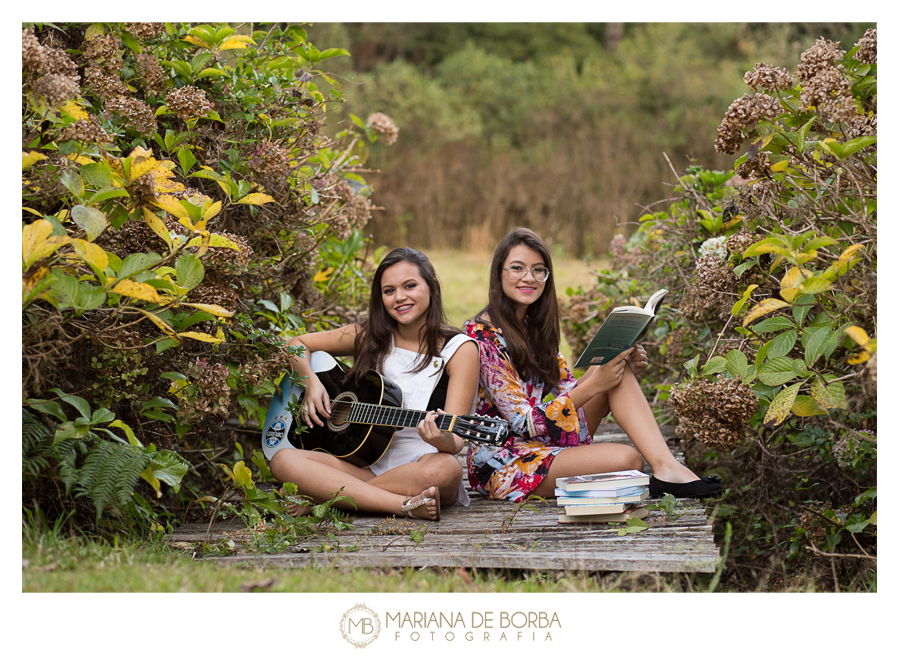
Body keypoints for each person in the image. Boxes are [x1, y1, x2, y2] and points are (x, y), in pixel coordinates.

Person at [464, 227, 723, 502]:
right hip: (503, 462)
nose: (529, 277)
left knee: (613, 364)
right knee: (627, 459)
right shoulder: (483, 336)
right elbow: (524, 422)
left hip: (540, 442)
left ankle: (667, 469)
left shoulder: (533, 327)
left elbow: (569, 389)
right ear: (499, 273)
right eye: (517, 268)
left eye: (538, 270)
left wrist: (619, 371)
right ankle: (661, 472)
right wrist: (597, 384)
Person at [269, 247, 480, 521]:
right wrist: (312, 385)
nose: (400, 297)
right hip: (364, 464)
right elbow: (295, 344)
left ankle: (329, 500)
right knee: (284, 460)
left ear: (432, 287)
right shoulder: (369, 335)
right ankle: (400, 505)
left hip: (418, 467)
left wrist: (440, 438)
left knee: (446, 470)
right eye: (389, 290)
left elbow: (455, 442)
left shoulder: (459, 349)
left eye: (410, 286)